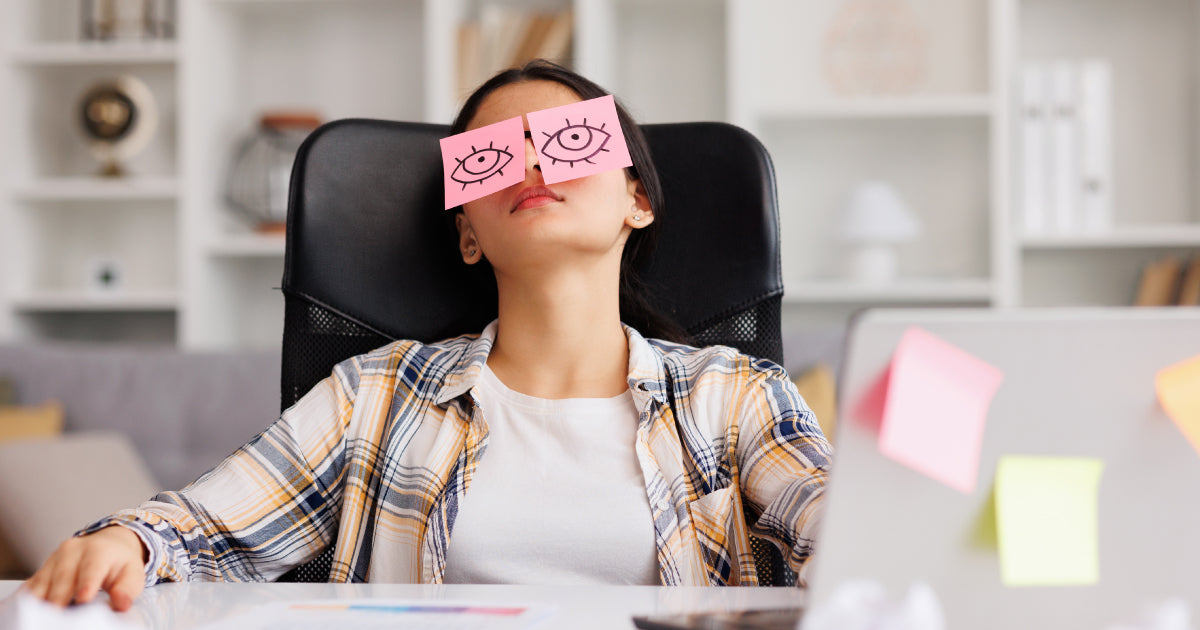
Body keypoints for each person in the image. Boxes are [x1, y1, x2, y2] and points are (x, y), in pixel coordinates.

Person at [24, 60, 832, 611]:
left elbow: (837, 522)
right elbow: (199, 530)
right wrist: (128, 541)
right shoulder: (374, 394)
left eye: (567, 141)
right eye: (492, 158)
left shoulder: (738, 395)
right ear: (468, 234)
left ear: (637, 201)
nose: (532, 167)